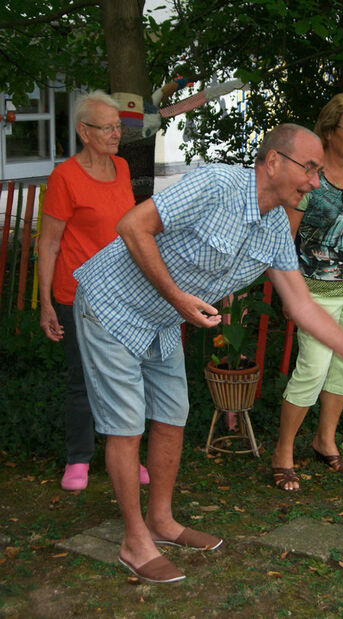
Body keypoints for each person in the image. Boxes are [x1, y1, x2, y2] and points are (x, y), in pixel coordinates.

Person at [72, 123, 343, 584]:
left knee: (172, 416)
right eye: (309, 169)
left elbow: (303, 304)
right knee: (126, 424)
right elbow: (132, 226)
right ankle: (134, 541)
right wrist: (176, 297)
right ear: (273, 162)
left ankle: (162, 522)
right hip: (112, 304)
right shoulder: (216, 185)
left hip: (162, 318)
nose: (314, 181)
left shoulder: (272, 226)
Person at [271, 94, 343, 491]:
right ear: (330, 130)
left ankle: (325, 441)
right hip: (315, 293)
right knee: (313, 369)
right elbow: (286, 235)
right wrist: (290, 294)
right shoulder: (310, 176)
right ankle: (283, 453)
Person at [38, 90, 149, 491]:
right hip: (77, 295)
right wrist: (46, 302)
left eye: (119, 126)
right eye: (108, 128)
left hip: (122, 294)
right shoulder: (64, 177)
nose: (117, 134)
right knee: (83, 380)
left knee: (127, 377)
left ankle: (125, 454)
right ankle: (78, 459)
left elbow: (130, 230)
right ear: (85, 132)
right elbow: (48, 243)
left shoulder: (121, 168)